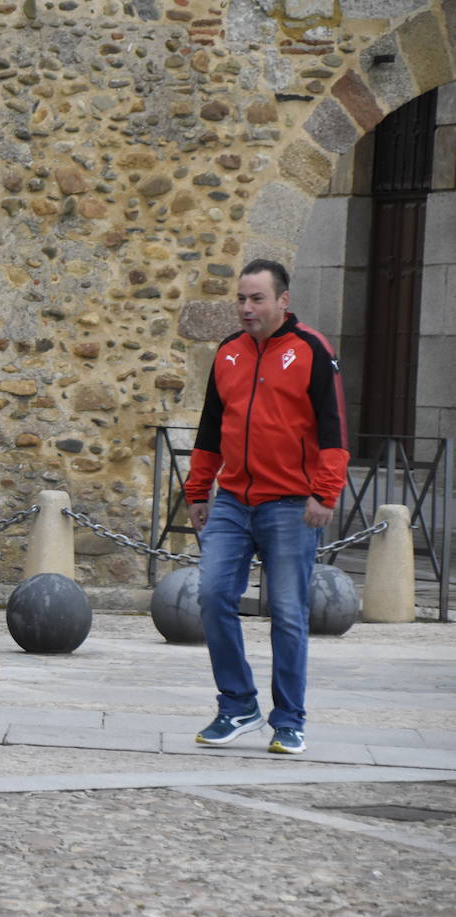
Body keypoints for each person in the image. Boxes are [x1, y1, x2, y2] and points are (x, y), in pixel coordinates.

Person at [184, 258, 348, 755]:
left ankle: (290, 719)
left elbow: (334, 427)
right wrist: (197, 490)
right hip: (233, 499)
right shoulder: (228, 353)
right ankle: (237, 704)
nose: (246, 307)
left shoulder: (312, 350)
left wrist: (325, 493)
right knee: (212, 596)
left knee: (289, 614)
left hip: (291, 504)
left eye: (257, 298)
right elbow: (211, 427)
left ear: (283, 301)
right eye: (241, 298)